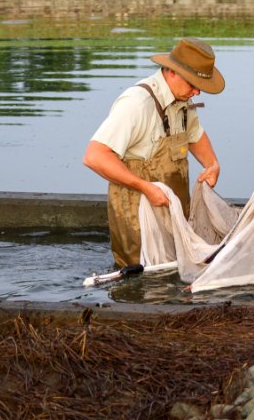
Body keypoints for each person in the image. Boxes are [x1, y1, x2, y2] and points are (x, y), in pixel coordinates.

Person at [83, 36, 224, 268]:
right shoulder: (137, 103)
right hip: (137, 214)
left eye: (201, 86)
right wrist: (146, 188)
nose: (197, 92)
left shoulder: (183, 100)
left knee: (174, 272)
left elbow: (194, 135)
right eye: (193, 85)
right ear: (172, 72)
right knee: (141, 275)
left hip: (173, 211)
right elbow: (95, 156)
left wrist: (212, 164)